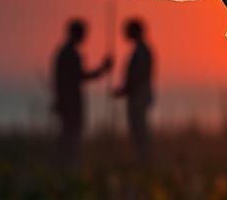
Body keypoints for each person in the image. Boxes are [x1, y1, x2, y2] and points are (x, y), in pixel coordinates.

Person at [53, 18, 112, 164]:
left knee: (69, 133)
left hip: (68, 100)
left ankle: (65, 163)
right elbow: (79, 76)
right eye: (83, 34)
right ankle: (68, 164)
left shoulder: (65, 52)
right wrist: (102, 69)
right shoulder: (70, 53)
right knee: (71, 134)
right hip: (71, 101)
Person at [112, 18, 154, 163]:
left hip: (139, 97)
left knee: (139, 129)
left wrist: (123, 90)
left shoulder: (141, 52)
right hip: (138, 96)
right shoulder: (141, 50)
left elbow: (138, 77)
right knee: (138, 129)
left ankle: (144, 160)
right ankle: (142, 159)